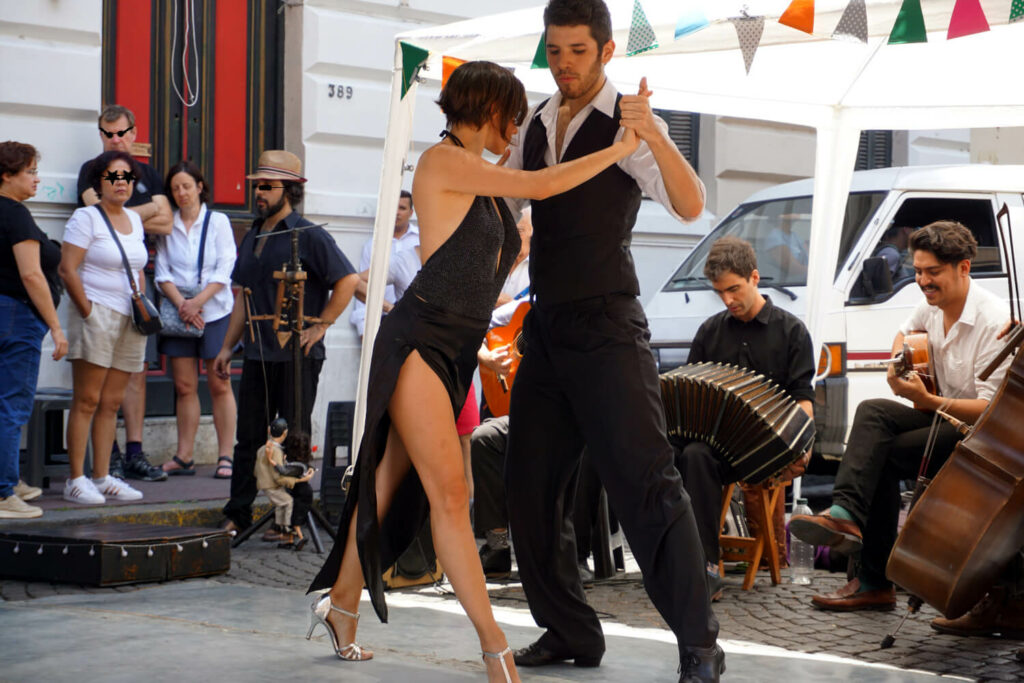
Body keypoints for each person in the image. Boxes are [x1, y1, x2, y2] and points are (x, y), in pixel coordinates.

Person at [305, 60, 639, 683]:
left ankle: (341, 606)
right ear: (487, 109)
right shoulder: (443, 161)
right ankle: (495, 648)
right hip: (418, 341)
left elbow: (523, 227)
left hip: (454, 349)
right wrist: (617, 149)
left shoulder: (481, 178)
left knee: (383, 486)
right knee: (452, 498)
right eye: (511, 117)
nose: (515, 129)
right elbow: (540, 186)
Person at [500, 2, 722, 681]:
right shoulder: (535, 123)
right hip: (548, 329)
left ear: (604, 51)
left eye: (577, 50)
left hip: (608, 329)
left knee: (647, 486)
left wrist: (652, 134)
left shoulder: (628, 120)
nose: (564, 63)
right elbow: (505, 210)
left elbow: (691, 203)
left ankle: (699, 644)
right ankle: (570, 631)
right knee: (527, 485)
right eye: (555, 50)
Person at [790, 220, 1011, 612]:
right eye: (918, 271)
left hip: (979, 435)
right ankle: (845, 516)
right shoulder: (930, 305)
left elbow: (989, 411)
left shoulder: (992, 320)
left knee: (884, 454)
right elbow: (904, 334)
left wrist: (927, 398)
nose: (923, 281)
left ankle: (872, 578)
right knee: (872, 410)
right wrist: (899, 365)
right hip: (941, 416)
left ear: (964, 268)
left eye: (933, 272)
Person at [213, 149, 357, 533]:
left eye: (267, 186)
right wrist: (228, 346)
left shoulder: (309, 235)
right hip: (258, 352)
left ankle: (294, 517)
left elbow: (347, 281)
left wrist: (321, 326)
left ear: (289, 190)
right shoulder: (252, 235)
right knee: (247, 439)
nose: (258, 192)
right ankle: (238, 514)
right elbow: (243, 295)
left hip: (298, 354)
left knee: (295, 437)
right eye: (256, 186)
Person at [673, 236, 815, 601]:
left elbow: (803, 398)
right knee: (686, 454)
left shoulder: (791, 331)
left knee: (695, 457)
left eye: (734, 289)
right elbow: (690, 390)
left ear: (754, 277)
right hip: (714, 450)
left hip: (763, 452)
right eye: (719, 292)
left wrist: (803, 445)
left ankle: (700, 566)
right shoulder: (710, 331)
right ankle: (696, 566)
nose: (728, 300)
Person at [76, 104, 172, 483]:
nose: (114, 140)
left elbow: (167, 222)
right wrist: (142, 213)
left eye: (121, 133)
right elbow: (96, 211)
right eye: (107, 133)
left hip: (139, 286)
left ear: (134, 132)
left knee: (136, 372)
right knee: (100, 376)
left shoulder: (148, 172)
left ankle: (134, 452)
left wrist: (125, 212)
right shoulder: (91, 169)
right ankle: (107, 456)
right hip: (100, 286)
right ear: (100, 134)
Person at [58, 150, 151, 505]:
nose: (121, 184)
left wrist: (140, 299)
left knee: (111, 402)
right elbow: (68, 269)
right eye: (113, 177)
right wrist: (87, 312)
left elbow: (138, 264)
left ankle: (101, 476)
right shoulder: (87, 218)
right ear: (100, 181)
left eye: (127, 177)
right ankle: (75, 479)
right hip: (97, 313)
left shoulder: (135, 220)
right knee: (87, 400)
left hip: (130, 317)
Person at [154, 162, 238, 477]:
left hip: (215, 312)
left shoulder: (218, 222)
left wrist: (198, 302)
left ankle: (226, 456)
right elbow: (162, 271)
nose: (181, 193)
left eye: (187, 186)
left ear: (200, 186)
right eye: (175, 188)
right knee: (185, 385)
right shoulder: (167, 225)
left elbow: (226, 265)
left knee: (220, 383)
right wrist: (183, 305)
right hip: (179, 314)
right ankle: (184, 455)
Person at [0, 141, 67, 519]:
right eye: (30, 172)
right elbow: (31, 274)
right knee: (12, 404)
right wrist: (56, 328)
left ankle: (7, 478)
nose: (37, 179)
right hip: (17, 315)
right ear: (7, 176)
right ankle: (3, 493)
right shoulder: (15, 215)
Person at [349, 190, 419, 338]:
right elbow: (360, 283)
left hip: (416, 323)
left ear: (411, 212)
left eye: (402, 208)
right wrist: (364, 329)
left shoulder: (421, 242)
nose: (397, 213)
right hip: (382, 321)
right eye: (394, 207)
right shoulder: (373, 245)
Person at [254, 418, 314, 550]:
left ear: (270, 431)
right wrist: (299, 480)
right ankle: (286, 528)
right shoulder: (276, 451)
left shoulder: (263, 448)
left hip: (264, 483)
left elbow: (257, 470)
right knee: (287, 502)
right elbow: (279, 478)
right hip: (272, 485)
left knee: (282, 505)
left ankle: (284, 532)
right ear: (284, 433)